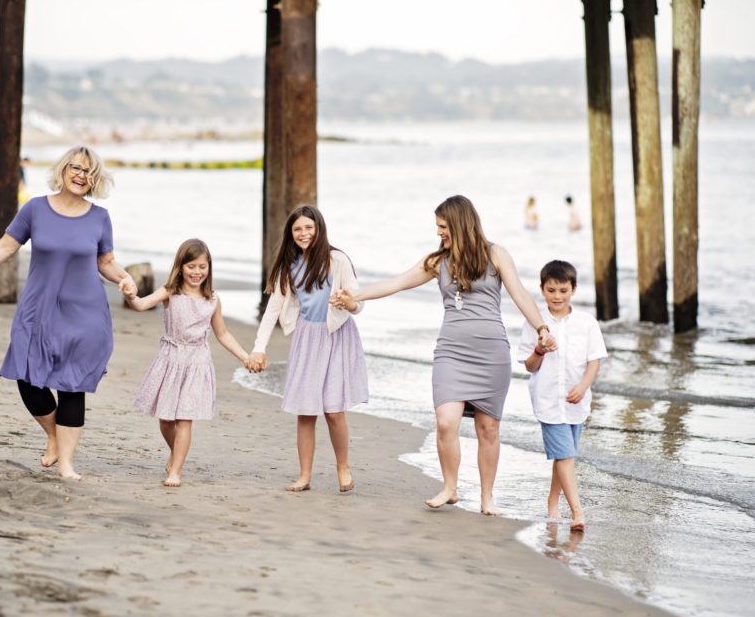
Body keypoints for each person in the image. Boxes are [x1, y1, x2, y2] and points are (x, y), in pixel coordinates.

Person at [332, 195, 556, 513]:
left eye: (442, 227)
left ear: (459, 223)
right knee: (445, 423)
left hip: (491, 353)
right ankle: (450, 487)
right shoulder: (438, 261)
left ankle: (487, 498)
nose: (439, 233)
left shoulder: (496, 255)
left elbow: (520, 294)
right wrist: (354, 294)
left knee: (488, 429)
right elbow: (397, 283)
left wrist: (542, 328)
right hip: (451, 352)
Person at [0, 145, 134, 481]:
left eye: (89, 172)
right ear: (63, 170)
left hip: (84, 314)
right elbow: (7, 245)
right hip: (39, 309)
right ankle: (53, 436)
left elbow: (105, 261)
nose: (82, 176)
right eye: (76, 168)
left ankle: (66, 463)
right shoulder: (36, 209)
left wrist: (125, 279)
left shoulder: (99, 217)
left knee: (71, 385)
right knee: (26, 377)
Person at [249, 205, 367, 493]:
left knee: (334, 410)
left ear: (319, 229)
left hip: (337, 336)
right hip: (307, 339)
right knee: (306, 411)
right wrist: (258, 348)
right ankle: (304, 475)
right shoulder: (288, 265)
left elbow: (358, 304)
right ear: (291, 233)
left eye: (309, 228)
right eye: (298, 229)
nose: (303, 233)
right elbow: (273, 309)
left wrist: (346, 302)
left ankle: (343, 466)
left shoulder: (337, 260)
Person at [123, 239, 251, 487]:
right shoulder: (171, 291)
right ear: (181, 267)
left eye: (202, 267)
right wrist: (131, 295)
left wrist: (245, 357)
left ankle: (176, 471)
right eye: (191, 266)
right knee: (166, 419)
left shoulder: (212, 300)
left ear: (209, 268)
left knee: (184, 418)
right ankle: (176, 454)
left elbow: (222, 334)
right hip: (170, 359)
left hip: (196, 362)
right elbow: (140, 305)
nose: (197, 272)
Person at [518, 260, 606, 532]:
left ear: (574, 290)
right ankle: (577, 512)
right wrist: (540, 350)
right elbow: (529, 366)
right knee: (566, 457)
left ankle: (552, 502)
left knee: (563, 456)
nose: (557, 296)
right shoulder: (534, 324)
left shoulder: (586, 323)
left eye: (563, 290)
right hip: (548, 401)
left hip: (577, 401)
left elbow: (594, 360)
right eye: (552, 290)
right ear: (542, 290)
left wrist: (584, 386)